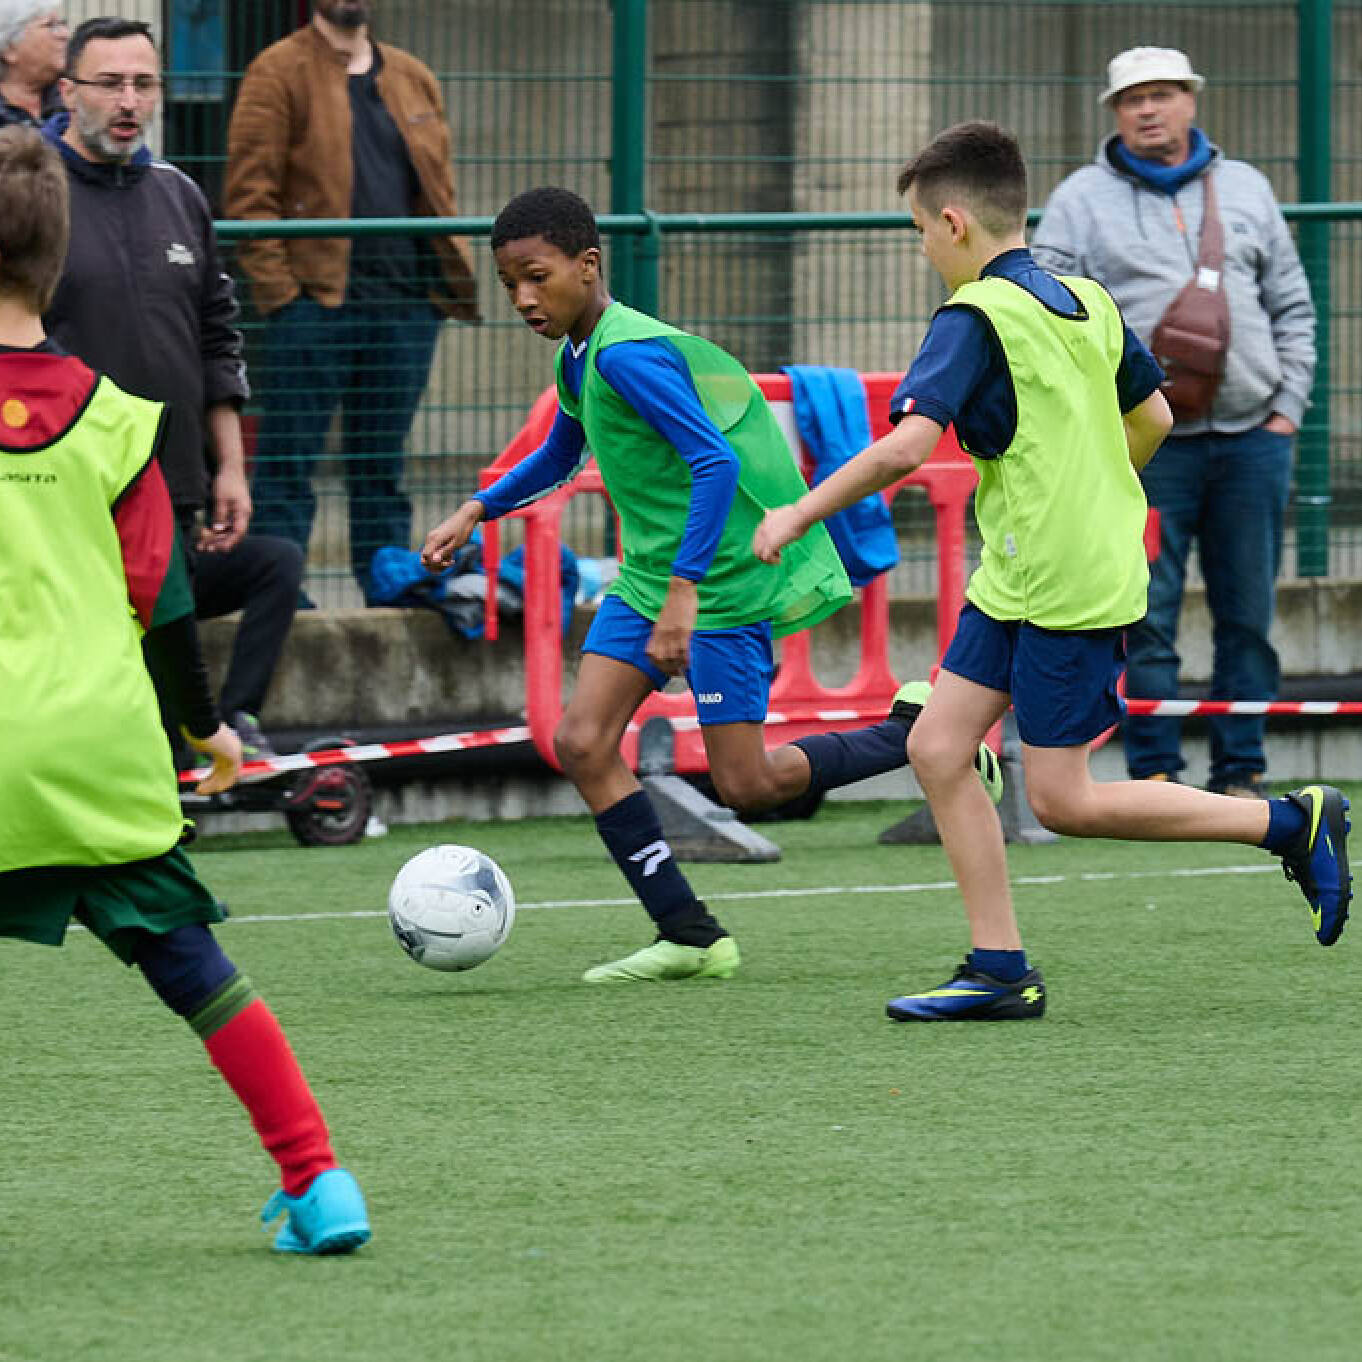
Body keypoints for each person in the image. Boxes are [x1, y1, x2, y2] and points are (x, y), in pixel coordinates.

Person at [755, 121, 1350, 1022]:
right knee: (937, 747)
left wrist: (798, 513)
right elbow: (1153, 416)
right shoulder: (1087, 298)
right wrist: (1092, 490)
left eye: (918, 231)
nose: (923, 250)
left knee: (1064, 800)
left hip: (1063, 586)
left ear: (953, 222)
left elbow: (907, 447)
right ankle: (999, 970)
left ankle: (1287, 822)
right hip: (1026, 575)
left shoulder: (972, 317)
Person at [422, 186, 1003, 985]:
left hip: (718, 584)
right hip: (647, 578)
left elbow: (714, 462)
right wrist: (477, 509)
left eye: (537, 277)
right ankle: (689, 935)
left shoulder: (628, 353)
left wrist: (685, 593)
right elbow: (561, 452)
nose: (523, 297)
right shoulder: (579, 356)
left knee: (746, 786)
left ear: (587, 265)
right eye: (509, 283)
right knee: (583, 742)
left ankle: (917, 731)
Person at [0, 124, 369, 1252]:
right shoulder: (120, 423)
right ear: (59, 263)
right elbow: (161, 610)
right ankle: (321, 1183)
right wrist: (207, 730)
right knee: (191, 965)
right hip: (100, 748)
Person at [1031, 47, 1317, 799]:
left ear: (1191, 99)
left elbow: (1292, 304)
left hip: (1254, 439)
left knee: (1248, 614)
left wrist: (1287, 410)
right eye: (1132, 99)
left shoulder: (1248, 188)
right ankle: (1155, 770)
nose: (1148, 110)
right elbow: (1045, 312)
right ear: (1115, 113)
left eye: (1161, 94)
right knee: (1144, 612)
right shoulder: (1078, 200)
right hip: (1143, 444)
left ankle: (1242, 769)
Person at [44, 17, 303, 758]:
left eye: (143, 83)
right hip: (70, 495)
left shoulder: (180, 193)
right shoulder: (32, 195)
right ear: (68, 91)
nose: (129, 100)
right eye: (109, 83)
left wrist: (231, 468)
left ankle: (225, 736)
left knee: (269, 574)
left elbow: (219, 338)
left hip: (174, 493)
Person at [225, 0, 481, 604]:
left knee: (381, 465)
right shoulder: (276, 70)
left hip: (405, 306)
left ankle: (387, 591)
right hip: (316, 304)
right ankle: (280, 597)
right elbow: (249, 196)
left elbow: (437, 189)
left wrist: (435, 292)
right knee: (289, 462)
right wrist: (284, 297)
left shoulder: (412, 76)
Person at [0, 2, 66, 128]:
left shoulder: (73, 96)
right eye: (50, 25)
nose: (65, 34)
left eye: (62, 24)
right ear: (9, 49)